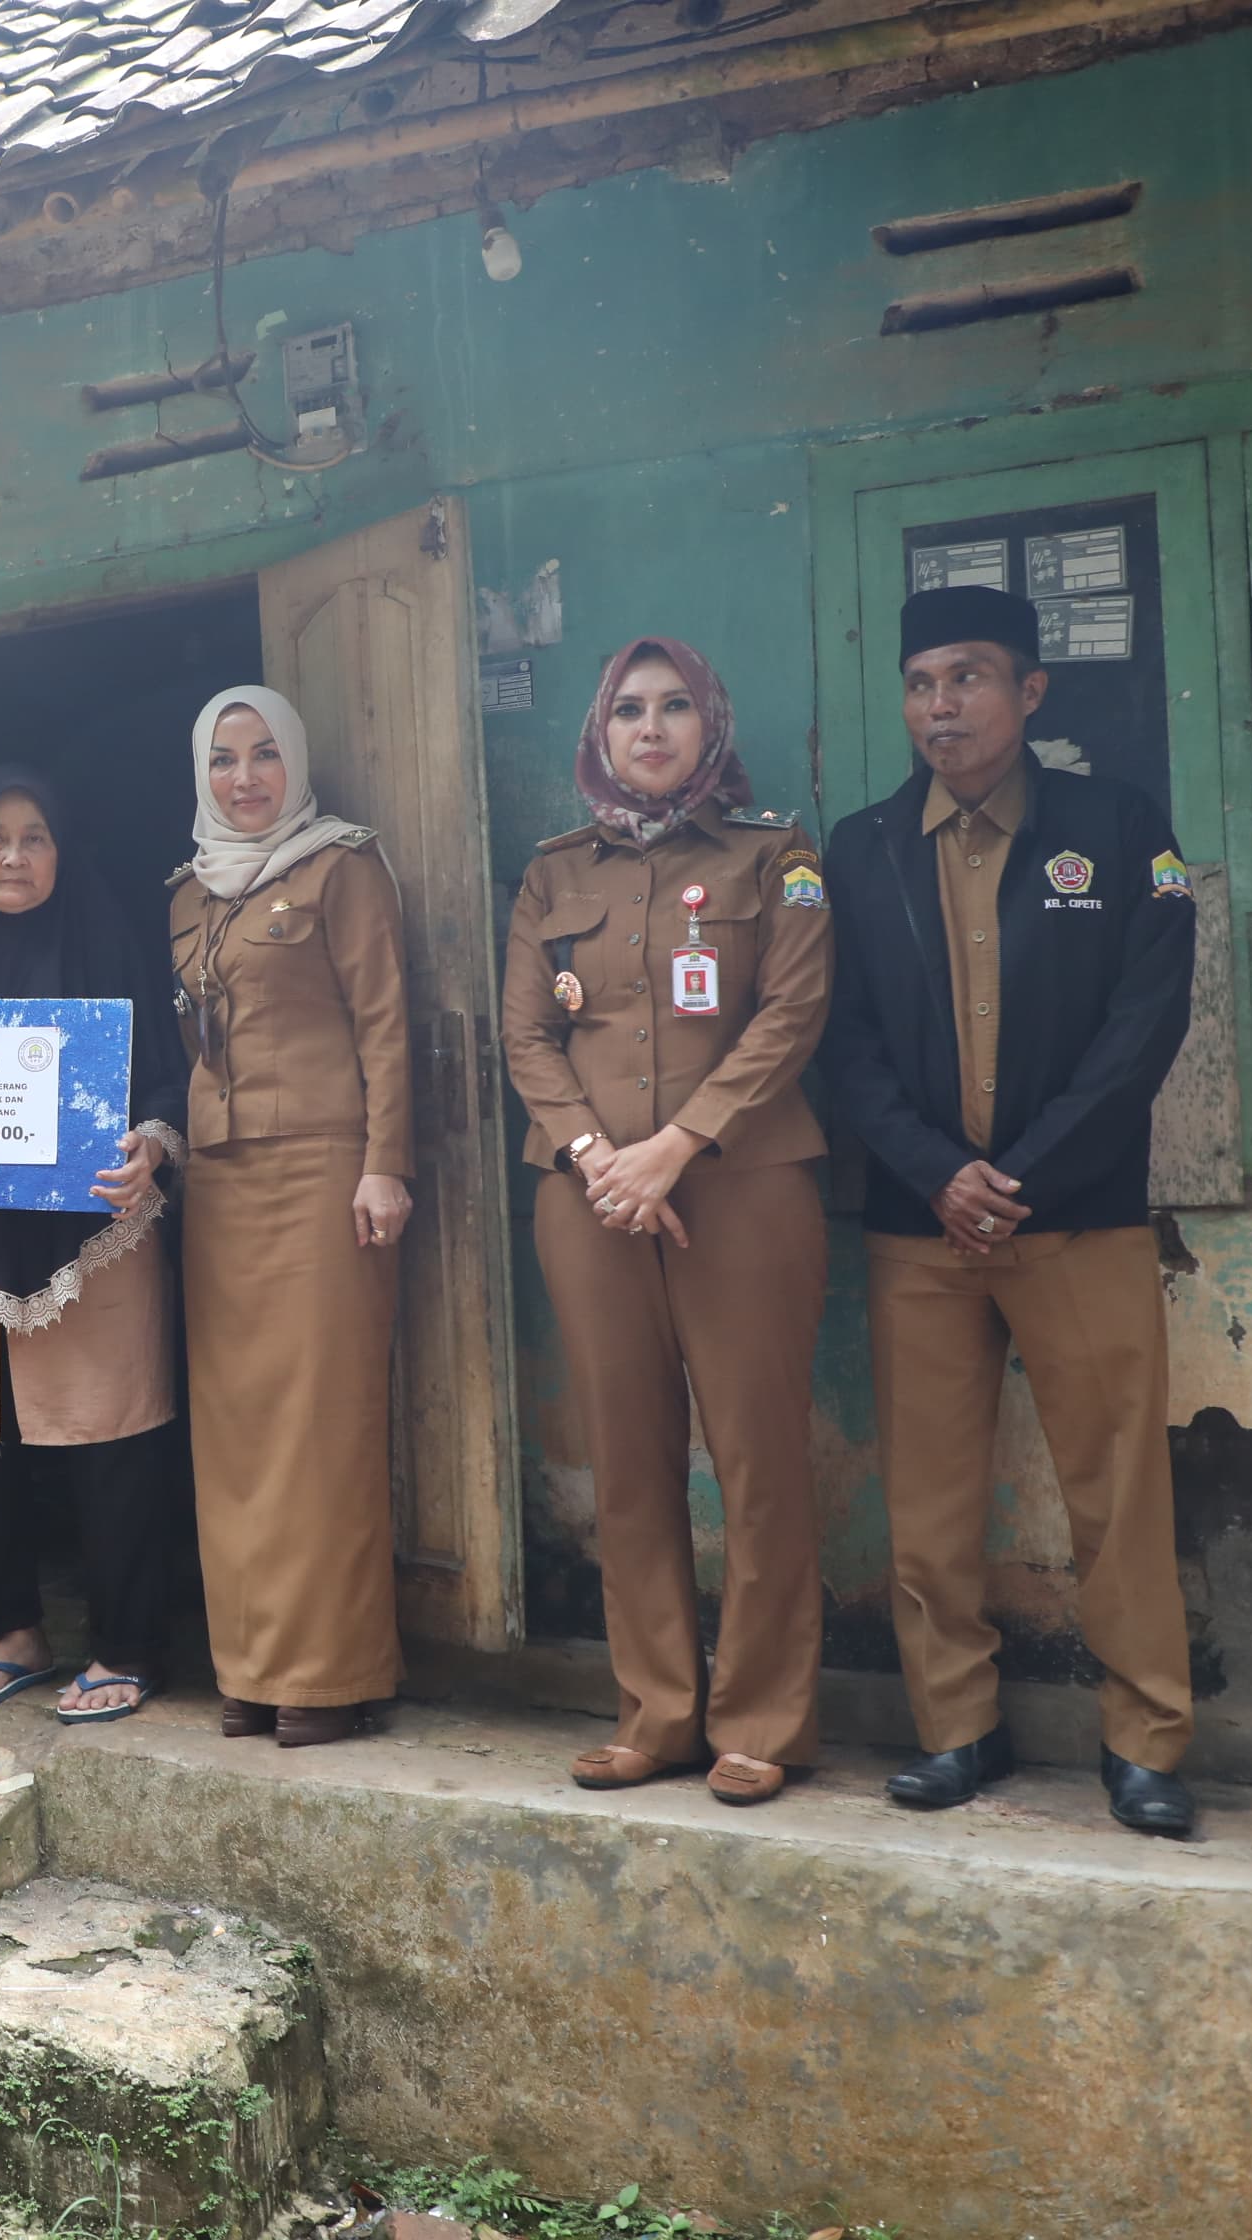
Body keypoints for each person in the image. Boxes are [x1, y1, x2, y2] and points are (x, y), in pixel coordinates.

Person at [822, 584, 1202, 1837]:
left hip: (1078, 1219)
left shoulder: (1116, 822)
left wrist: (1021, 1173)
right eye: (924, 680)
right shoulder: (863, 845)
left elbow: (1143, 1025)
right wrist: (940, 1171)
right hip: (919, 1229)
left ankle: (1146, 1741)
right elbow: (846, 1041)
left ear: (1030, 691)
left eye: (972, 677)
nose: (945, 704)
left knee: (1117, 1492)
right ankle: (958, 1730)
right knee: (928, 1507)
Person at [501, 640, 834, 1806]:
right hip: (590, 1200)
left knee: (758, 1457)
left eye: (676, 705)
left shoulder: (774, 856)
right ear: (601, 731)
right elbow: (528, 1037)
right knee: (628, 1458)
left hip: (742, 1186)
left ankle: (761, 1718)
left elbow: (792, 1011)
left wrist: (675, 1148)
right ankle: (657, 1710)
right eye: (630, 709)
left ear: (711, 722)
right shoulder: (553, 872)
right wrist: (602, 1158)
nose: (652, 727)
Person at [0, 768, 188, 1725]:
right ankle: (10, 1632)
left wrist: (152, 1144)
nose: (14, 856)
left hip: (98, 1223)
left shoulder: (108, 942)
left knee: (114, 1431)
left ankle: (128, 1644)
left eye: (35, 837)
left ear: (63, 852)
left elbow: (171, 1078)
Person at [168, 689, 412, 1748]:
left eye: (266, 754)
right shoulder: (187, 890)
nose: (246, 777)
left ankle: (329, 1674)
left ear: (295, 760)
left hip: (325, 1172)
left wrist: (385, 1163)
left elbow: (388, 1022)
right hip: (219, 1184)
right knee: (235, 1427)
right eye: (225, 758)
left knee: (321, 1423)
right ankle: (252, 1668)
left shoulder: (342, 867)